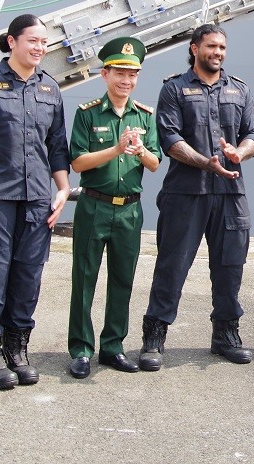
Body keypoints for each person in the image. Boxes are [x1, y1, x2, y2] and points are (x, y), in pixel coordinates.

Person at [139, 24, 254, 369]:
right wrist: (206, 163)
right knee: (172, 265)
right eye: (211, 46)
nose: (217, 53)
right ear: (194, 49)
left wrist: (239, 152)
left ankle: (226, 335)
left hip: (231, 193)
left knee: (230, 267)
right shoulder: (174, 89)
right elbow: (170, 139)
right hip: (185, 193)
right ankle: (154, 337)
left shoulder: (240, 90)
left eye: (222, 47)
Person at [0, 13, 71, 389]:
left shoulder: (50, 89)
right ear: (12, 42)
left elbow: (57, 146)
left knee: (28, 275)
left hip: (38, 198)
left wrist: (62, 189)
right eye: (33, 40)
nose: (40, 47)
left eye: (44, 42)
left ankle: (16, 348)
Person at [66, 37, 161, 379]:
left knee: (123, 280)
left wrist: (139, 150)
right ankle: (81, 349)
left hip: (129, 210)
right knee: (84, 278)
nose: (126, 80)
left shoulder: (144, 115)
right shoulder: (87, 113)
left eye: (132, 74)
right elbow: (77, 162)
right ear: (104, 74)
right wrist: (116, 150)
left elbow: (154, 163)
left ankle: (112, 346)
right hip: (95, 205)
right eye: (119, 73)